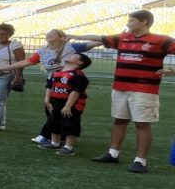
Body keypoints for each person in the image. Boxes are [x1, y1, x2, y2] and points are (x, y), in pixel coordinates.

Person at [72, 10, 175, 173]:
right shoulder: (122, 38)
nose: (128, 23)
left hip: (145, 89)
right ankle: (113, 153)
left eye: (132, 20)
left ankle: (140, 161)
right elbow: (98, 37)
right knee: (119, 120)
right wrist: (71, 36)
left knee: (142, 124)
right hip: (120, 87)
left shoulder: (161, 40)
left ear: (144, 22)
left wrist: (173, 72)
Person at [0, 29, 94, 145]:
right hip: (53, 82)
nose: (49, 34)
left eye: (53, 33)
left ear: (61, 37)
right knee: (50, 109)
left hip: (69, 83)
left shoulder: (71, 47)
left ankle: (47, 136)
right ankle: (59, 137)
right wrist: (3, 68)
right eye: (49, 33)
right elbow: (26, 62)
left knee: (63, 110)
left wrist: (75, 36)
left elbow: (97, 42)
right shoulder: (43, 51)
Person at [40, 53, 93, 156]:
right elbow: (49, 86)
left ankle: (68, 147)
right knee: (53, 121)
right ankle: (54, 142)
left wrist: (68, 106)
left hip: (72, 105)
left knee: (70, 124)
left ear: (80, 62)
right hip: (56, 102)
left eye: (74, 56)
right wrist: (47, 100)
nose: (70, 56)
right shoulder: (57, 72)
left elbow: (76, 92)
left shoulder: (78, 75)